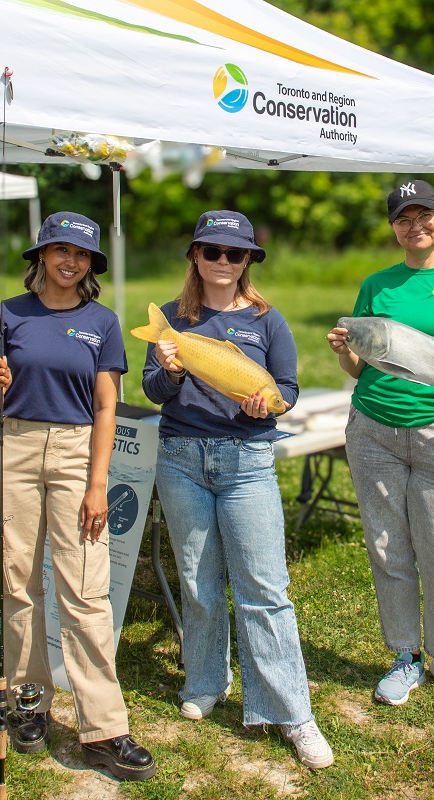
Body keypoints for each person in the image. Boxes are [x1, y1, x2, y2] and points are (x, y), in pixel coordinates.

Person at [141, 210, 334, 770]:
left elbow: (288, 391)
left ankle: (293, 712)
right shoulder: (173, 320)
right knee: (199, 582)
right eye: (211, 251)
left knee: (264, 587)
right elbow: (155, 390)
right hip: (180, 459)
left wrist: (268, 406)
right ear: (195, 256)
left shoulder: (268, 321)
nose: (222, 262)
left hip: (248, 461)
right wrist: (170, 370)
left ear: (248, 260)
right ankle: (206, 682)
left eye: (234, 254)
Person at [0, 211, 156, 781]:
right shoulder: (7, 315)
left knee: (84, 590)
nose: (69, 262)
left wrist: (97, 484)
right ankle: (28, 704)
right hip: (13, 445)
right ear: (40, 256)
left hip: (79, 454)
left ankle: (103, 728)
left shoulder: (101, 322)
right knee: (17, 581)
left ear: (91, 265)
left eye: (81, 255)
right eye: (59, 251)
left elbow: (107, 407)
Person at [327, 179, 434, 706]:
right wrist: (342, 350)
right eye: (403, 218)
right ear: (393, 227)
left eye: (424, 215)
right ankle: (405, 656)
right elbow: (360, 368)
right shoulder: (376, 285)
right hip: (373, 431)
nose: (414, 225)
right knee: (389, 552)